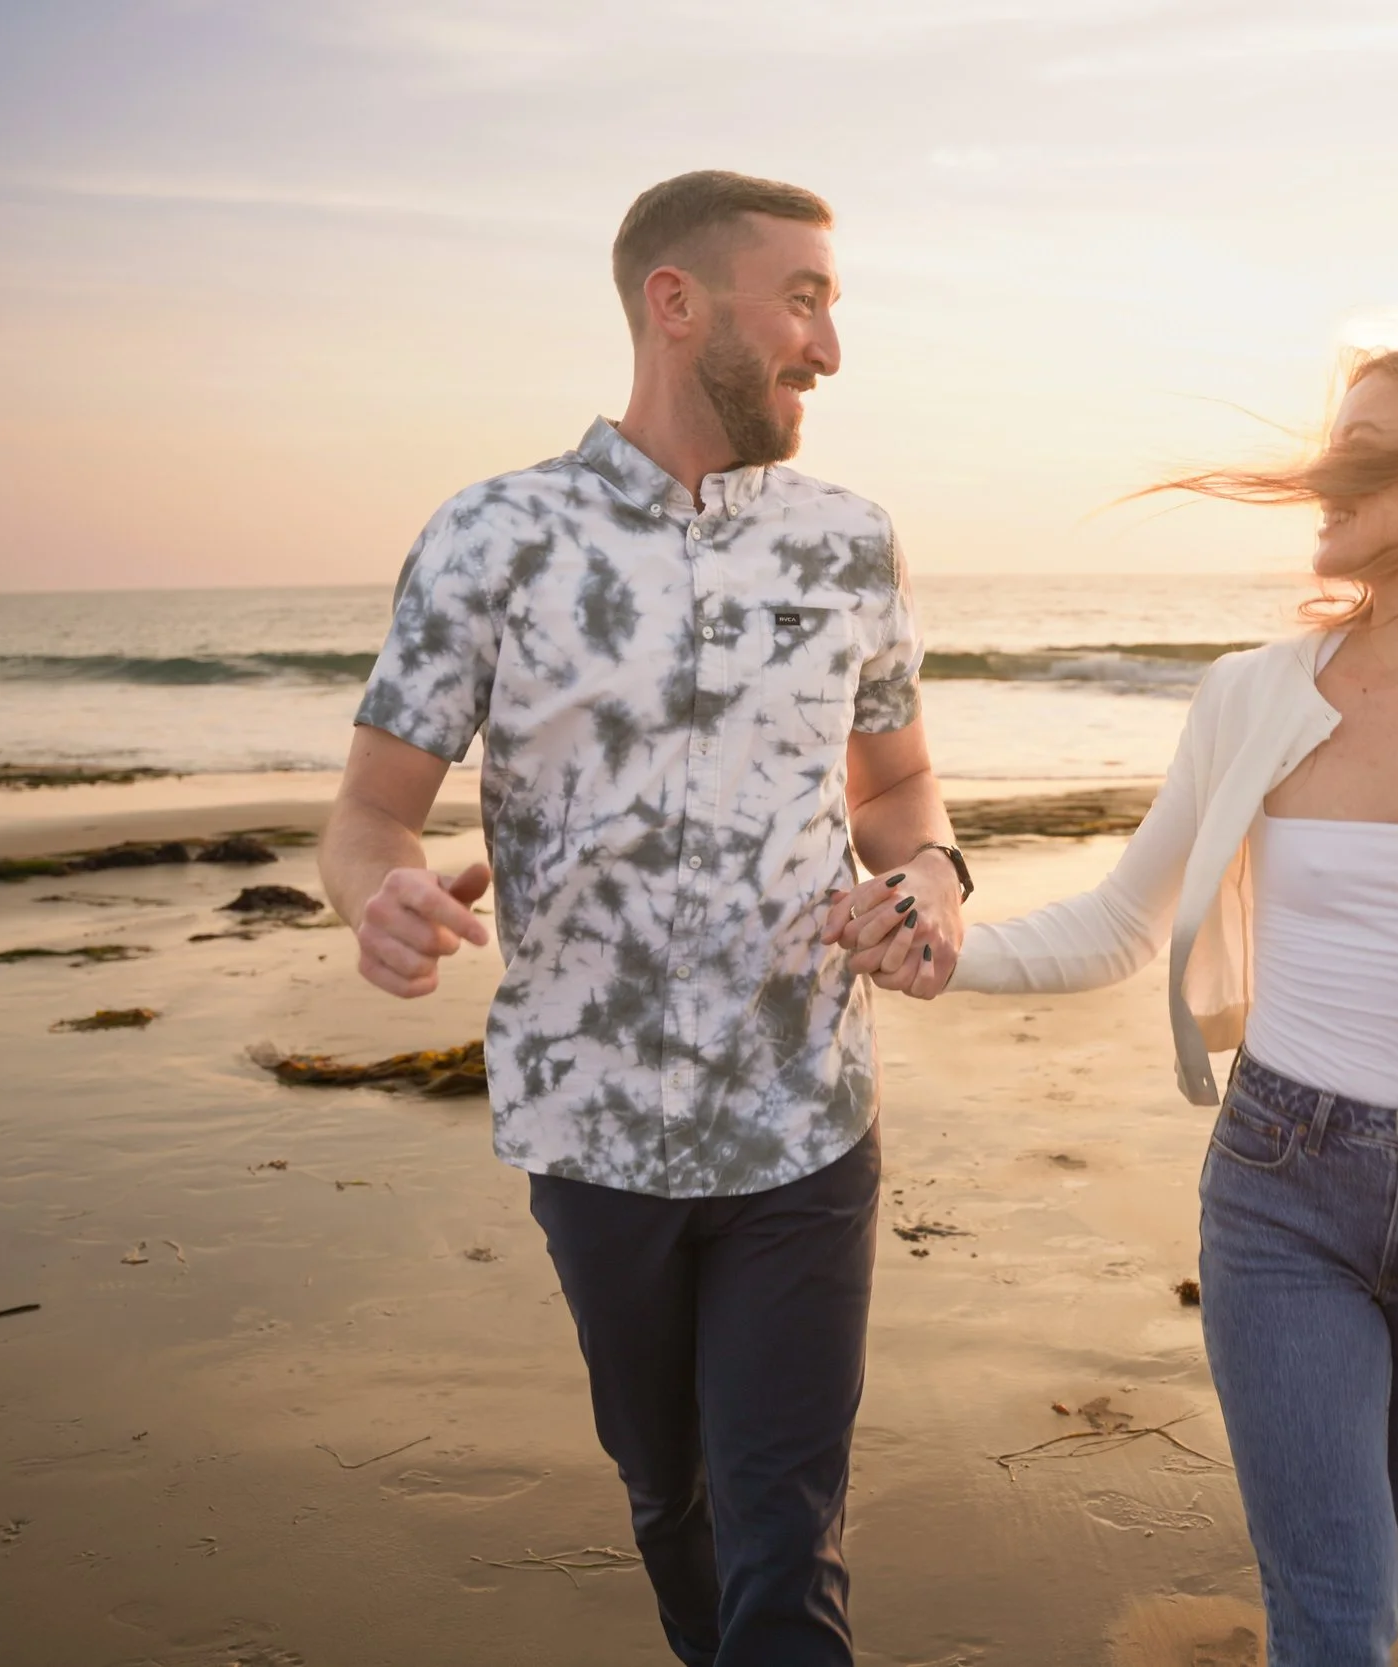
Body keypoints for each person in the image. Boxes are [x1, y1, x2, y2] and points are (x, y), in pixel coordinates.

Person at [848, 331, 1398, 1663]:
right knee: (1338, 1611)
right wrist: (954, 954)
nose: (1322, 472)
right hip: (1281, 1183)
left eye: (1364, 450)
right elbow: (1121, 922)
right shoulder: (1250, 695)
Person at [320, 170, 967, 1667]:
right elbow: (368, 815)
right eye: (801, 300)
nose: (828, 348)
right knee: (668, 1487)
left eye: (832, 306)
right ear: (677, 305)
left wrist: (932, 877)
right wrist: (382, 896)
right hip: (587, 1127)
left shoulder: (849, 543)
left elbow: (903, 785)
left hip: (806, 1115)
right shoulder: (493, 538)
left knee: (785, 1525)